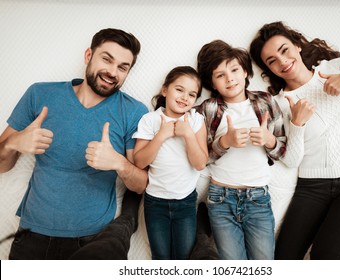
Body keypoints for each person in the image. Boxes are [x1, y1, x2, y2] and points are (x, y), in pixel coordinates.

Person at [0, 28, 149, 260]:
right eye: (106, 59)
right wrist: (13, 143)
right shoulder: (40, 93)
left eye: (122, 67)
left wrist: (119, 163)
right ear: (88, 55)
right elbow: (2, 166)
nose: (112, 72)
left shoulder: (133, 111)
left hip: (92, 240)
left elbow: (140, 185)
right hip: (31, 235)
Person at [249, 21, 340, 260]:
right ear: (268, 69)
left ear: (297, 45)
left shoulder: (333, 68)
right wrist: (297, 124)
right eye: (272, 60)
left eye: (284, 50)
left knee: (323, 259)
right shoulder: (280, 104)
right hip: (312, 187)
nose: (282, 61)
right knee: (284, 261)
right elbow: (292, 160)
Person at [195, 39, 286, 260]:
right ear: (212, 83)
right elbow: (199, 157)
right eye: (220, 75)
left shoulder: (266, 101)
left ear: (245, 71)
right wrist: (224, 142)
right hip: (221, 198)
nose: (230, 79)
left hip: (258, 198)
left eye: (234, 70)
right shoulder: (208, 109)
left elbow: (283, 148)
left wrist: (268, 140)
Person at [132, 66, 208, 260]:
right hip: (155, 203)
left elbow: (200, 164)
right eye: (179, 89)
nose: (185, 97)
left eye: (192, 94)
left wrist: (188, 135)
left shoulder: (196, 120)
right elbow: (140, 162)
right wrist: (162, 135)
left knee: (183, 258)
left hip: (186, 202)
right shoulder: (149, 120)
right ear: (165, 90)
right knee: (161, 258)